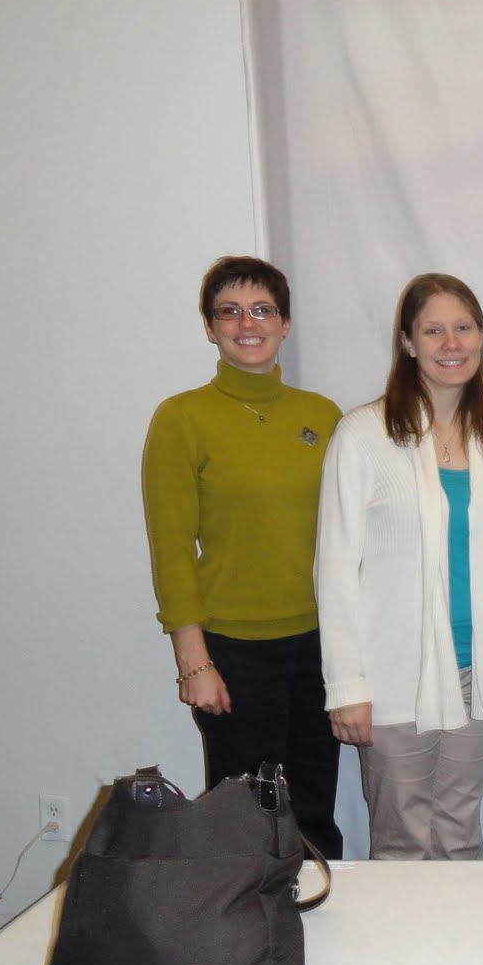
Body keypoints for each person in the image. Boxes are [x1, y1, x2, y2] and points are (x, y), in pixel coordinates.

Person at [142, 255, 344, 856]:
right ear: (210, 327)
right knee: (244, 821)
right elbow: (171, 547)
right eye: (229, 312)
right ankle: (242, 920)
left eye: (262, 310)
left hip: (320, 643)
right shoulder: (182, 418)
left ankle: (319, 912)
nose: (247, 323)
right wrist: (194, 662)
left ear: (285, 323)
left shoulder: (322, 416)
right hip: (233, 651)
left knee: (314, 812)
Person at [314, 273, 483, 860]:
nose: (451, 343)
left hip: (476, 675)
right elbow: (334, 571)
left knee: (459, 833)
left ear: (482, 336)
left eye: (464, 328)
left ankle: (462, 928)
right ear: (407, 342)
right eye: (433, 330)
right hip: (392, 679)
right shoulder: (363, 435)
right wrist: (346, 686)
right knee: (402, 842)